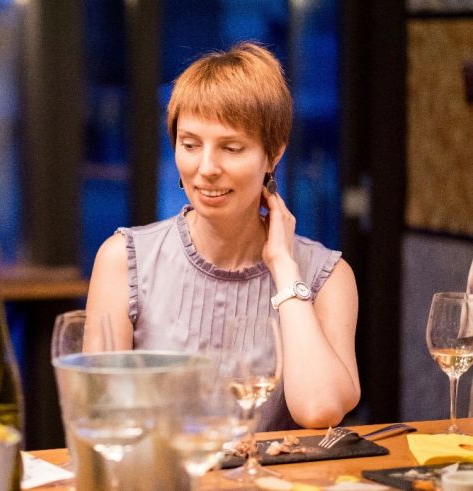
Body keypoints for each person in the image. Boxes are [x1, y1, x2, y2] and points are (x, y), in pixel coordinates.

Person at [85, 42, 360, 430]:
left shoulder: (327, 277)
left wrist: (283, 266)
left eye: (231, 148)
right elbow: (100, 416)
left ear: (273, 154)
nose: (206, 168)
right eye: (190, 145)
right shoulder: (124, 260)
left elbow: (319, 409)